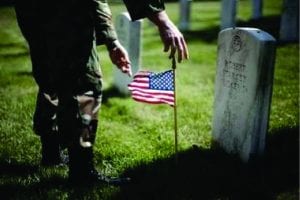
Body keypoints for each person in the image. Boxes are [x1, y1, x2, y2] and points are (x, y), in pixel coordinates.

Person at [14, 0, 188, 185]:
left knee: (52, 76)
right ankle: (82, 172)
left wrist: (112, 41)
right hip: (65, 9)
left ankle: (51, 153)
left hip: (31, 10)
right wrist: (163, 20)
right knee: (85, 86)